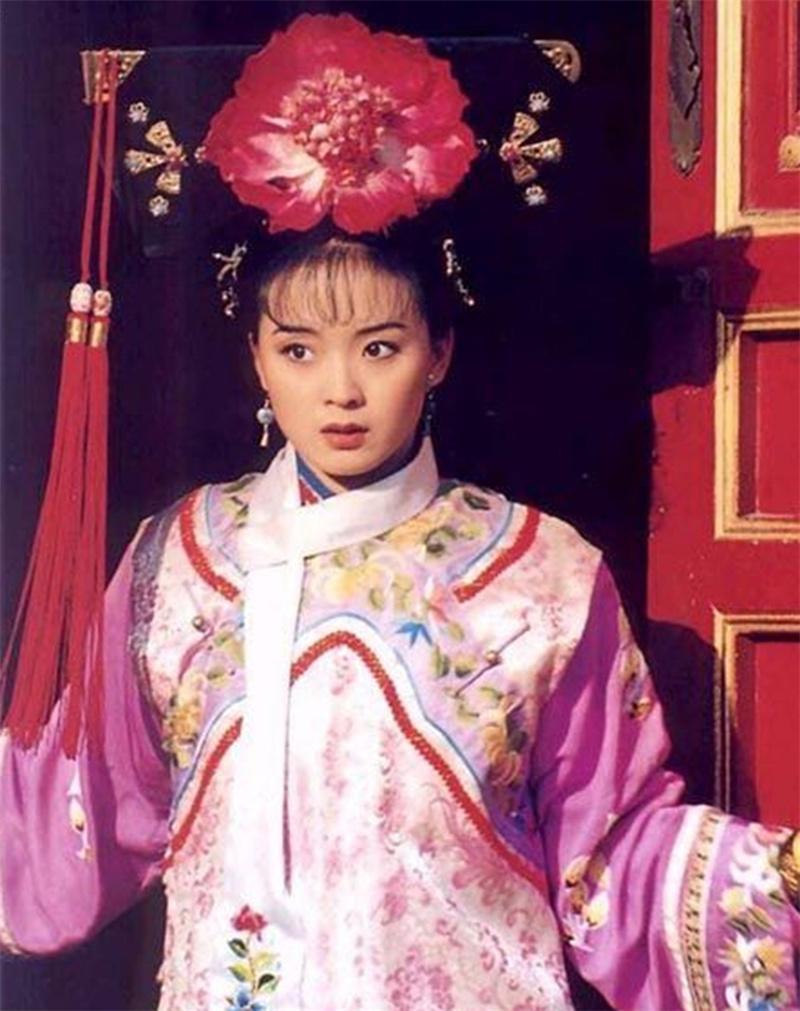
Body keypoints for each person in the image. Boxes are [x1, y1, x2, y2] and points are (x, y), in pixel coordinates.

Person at [1, 13, 798, 1011]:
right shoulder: (180, 562)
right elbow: (79, 813)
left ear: (439, 354)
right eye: (299, 350)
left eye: (379, 347)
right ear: (256, 360)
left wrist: (769, 893)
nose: (340, 390)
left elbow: (611, 850)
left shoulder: (538, 575)